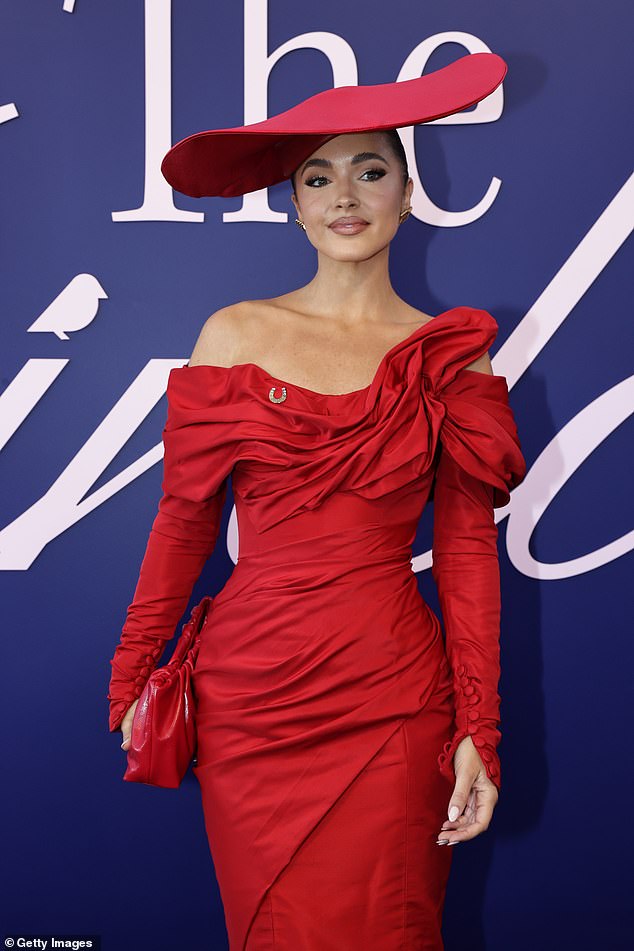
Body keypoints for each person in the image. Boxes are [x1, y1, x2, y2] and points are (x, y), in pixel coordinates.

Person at [107, 53, 526, 950]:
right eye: (318, 175)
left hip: (394, 699)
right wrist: (135, 675)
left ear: (408, 196)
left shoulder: (452, 356)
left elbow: (464, 554)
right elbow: (182, 522)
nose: (345, 194)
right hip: (250, 697)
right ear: (294, 203)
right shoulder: (236, 333)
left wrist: (477, 729)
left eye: (371, 170)